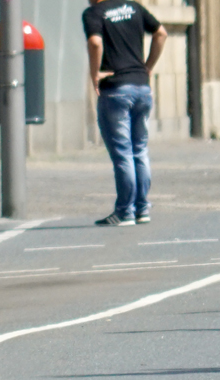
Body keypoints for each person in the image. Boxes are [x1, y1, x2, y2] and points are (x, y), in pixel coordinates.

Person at [82, 0, 167, 226]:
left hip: (116, 89)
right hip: (141, 87)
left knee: (123, 153)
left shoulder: (94, 13)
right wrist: (147, 66)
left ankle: (125, 211)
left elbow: (95, 43)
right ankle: (142, 208)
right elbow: (161, 33)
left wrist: (95, 74)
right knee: (139, 150)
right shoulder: (134, 7)